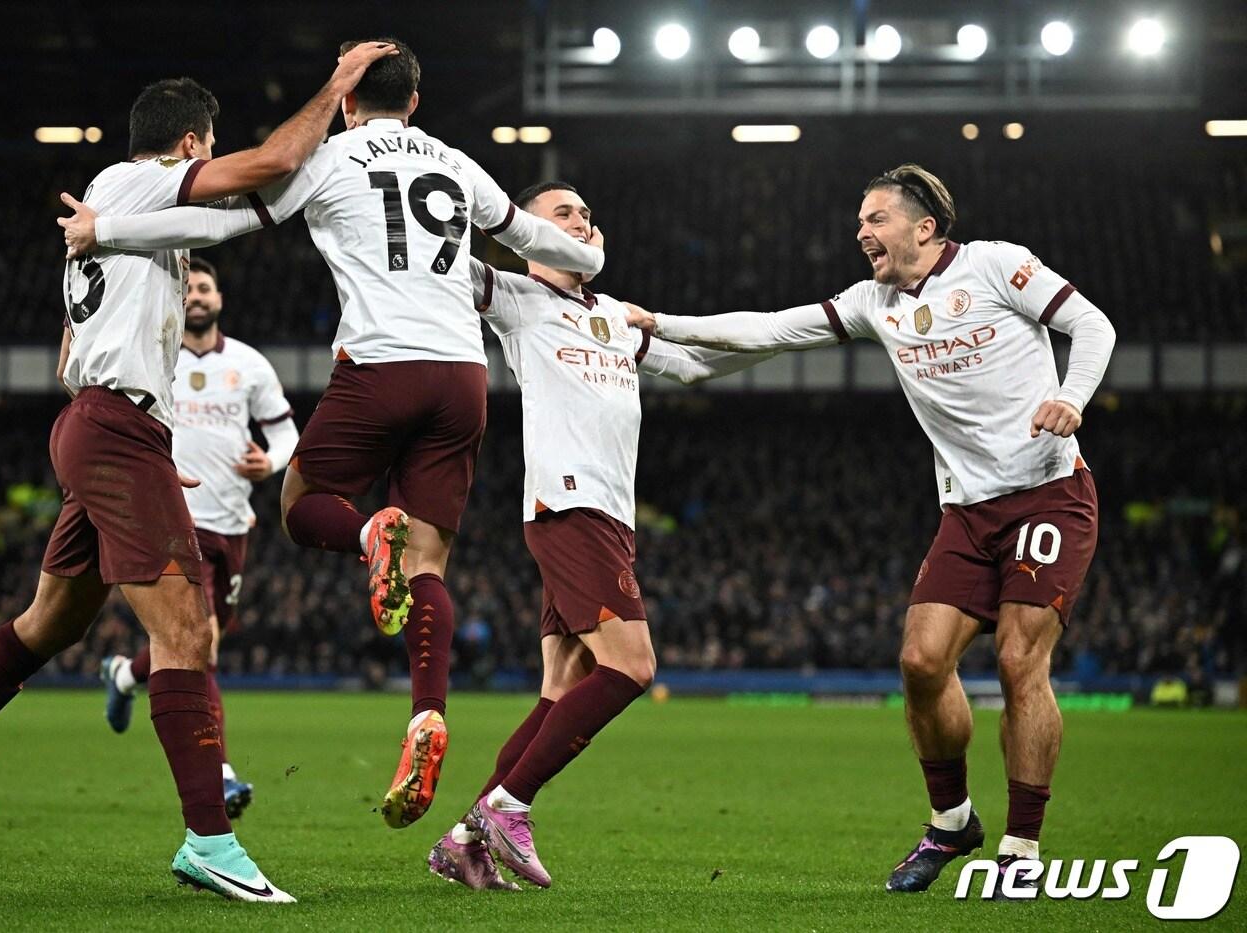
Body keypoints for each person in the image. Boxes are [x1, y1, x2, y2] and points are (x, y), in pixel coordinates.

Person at [0, 43, 397, 903]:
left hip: (108, 427)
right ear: (191, 143)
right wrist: (339, 88)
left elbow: (73, 351)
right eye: (211, 143)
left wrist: (148, 447)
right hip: (112, 430)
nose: (216, 157)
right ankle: (210, 841)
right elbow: (269, 165)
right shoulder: (138, 182)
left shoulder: (112, 210)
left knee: (50, 622)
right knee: (188, 632)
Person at [57, 37, 606, 831]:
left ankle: (364, 534)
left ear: (349, 101)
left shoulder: (333, 160)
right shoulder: (456, 163)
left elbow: (221, 227)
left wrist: (106, 230)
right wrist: (592, 249)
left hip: (380, 366)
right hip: (462, 376)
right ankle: (426, 711)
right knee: (431, 562)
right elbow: (535, 239)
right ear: (415, 101)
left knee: (301, 498)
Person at [628, 164, 1116, 894]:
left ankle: (1022, 845)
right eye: (861, 221)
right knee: (921, 662)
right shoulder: (872, 301)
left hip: (1048, 492)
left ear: (924, 226)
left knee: (1020, 661)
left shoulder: (994, 264)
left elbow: (1092, 322)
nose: (862, 232)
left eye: (876, 218)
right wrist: (660, 323)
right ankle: (952, 820)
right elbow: (770, 327)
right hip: (968, 508)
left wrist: (1072, 398)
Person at [428, 181, 771, 890]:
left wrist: (782, 337)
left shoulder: (613, 315)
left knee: (565, 684)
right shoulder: (517, 297)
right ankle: (507, 806)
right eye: (564, 213)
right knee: (633, 666)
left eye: (588, 212)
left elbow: (698, 365)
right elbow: (428, 266)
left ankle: (465, 837)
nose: (583, 220)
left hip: (610, 516)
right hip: (568, 505)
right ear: (528, 234)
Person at [101, 256, 298, 822]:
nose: (195, 295)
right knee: (202, 646)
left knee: (205, 639)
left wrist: (272, 460)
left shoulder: (250, 365)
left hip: (233, 523)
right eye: (186, 287)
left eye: (205, 286)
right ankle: (222, 774)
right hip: (172, 521)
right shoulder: (153, 358)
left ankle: (124, 672)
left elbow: (286, 432)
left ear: (219, 297)